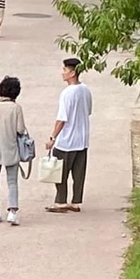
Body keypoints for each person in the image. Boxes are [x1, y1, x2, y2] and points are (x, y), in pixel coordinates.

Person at [46, 57, 93, 214]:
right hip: (82, 139)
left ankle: (61, 201)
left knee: (60, 172)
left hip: (67, 140)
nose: (63, 72)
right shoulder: (85, 90)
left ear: (72, 73)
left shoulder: (67, 93)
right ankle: (76, 201)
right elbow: (88, 111)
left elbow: (62, 119)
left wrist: (52, 137)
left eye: (65, 69)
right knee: (78, 173)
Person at [0, 76, 29, 226]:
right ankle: (12, 212)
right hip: (10, 149)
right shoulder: (16, 108)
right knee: (12, 181)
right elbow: (20, 129)